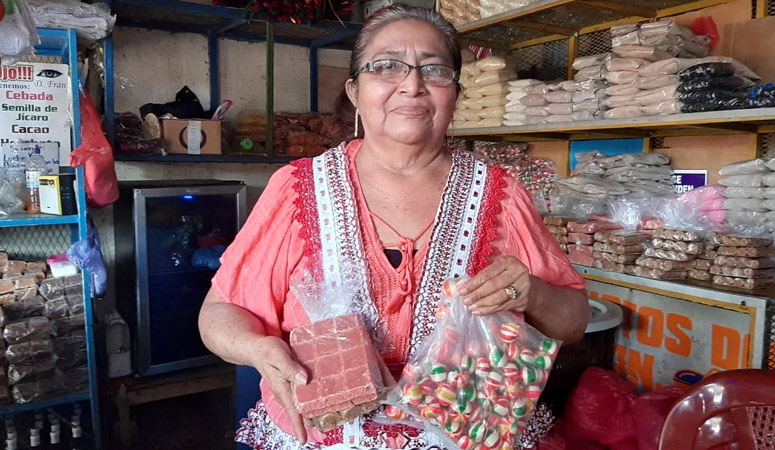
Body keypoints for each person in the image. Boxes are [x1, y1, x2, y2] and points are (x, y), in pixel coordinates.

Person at [198, 4, 589, 450]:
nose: (412, 85)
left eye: (434, 70)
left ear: (455, 93)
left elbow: (574, 322)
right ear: (354, 91)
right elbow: (220, 312)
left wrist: (533, 293)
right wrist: (256, 350)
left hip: (466, 438)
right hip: (322, 437)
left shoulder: (500, 195)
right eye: (386, 66)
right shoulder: (298, 188)